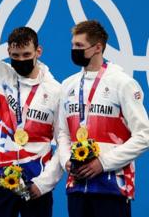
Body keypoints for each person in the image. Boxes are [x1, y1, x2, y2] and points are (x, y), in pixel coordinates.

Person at [0, 0, 63, 217]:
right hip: (1, 176)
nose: (21, 60)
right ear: (8, 52)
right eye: (15, 55)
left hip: (35, 179)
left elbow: (62, 142)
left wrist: (44, 183)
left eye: (27, 54)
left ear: (39, 51)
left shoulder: (56, 91)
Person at [57, 19, 149, 217]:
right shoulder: (67, 85)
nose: (74, 50)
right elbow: (62, 133)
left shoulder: (123, 83)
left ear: (98, 47)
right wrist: (66, 161)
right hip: (77, 187)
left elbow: (144, 135)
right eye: (73, 45)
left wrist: (103, 162)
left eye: (79, 46)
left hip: (112, 187)